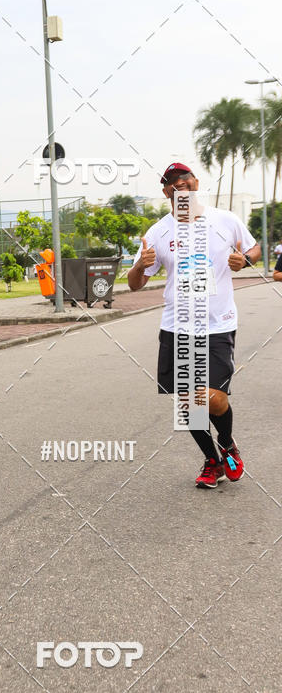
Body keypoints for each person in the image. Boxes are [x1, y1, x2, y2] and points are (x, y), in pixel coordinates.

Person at [128, 162, 261, 489]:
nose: (180, 186)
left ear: (195, 182)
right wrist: (140, 267)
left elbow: (253, 249)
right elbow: (135, 284)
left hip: (217, 325)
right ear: (166, 192)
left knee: (212, 398)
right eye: (172, 184)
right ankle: (212, 461)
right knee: (189, 403)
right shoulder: (158, 233)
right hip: (177, 326)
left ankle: (227, 443)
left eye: (184, 180)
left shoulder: (224, 220)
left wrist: (245, 260)